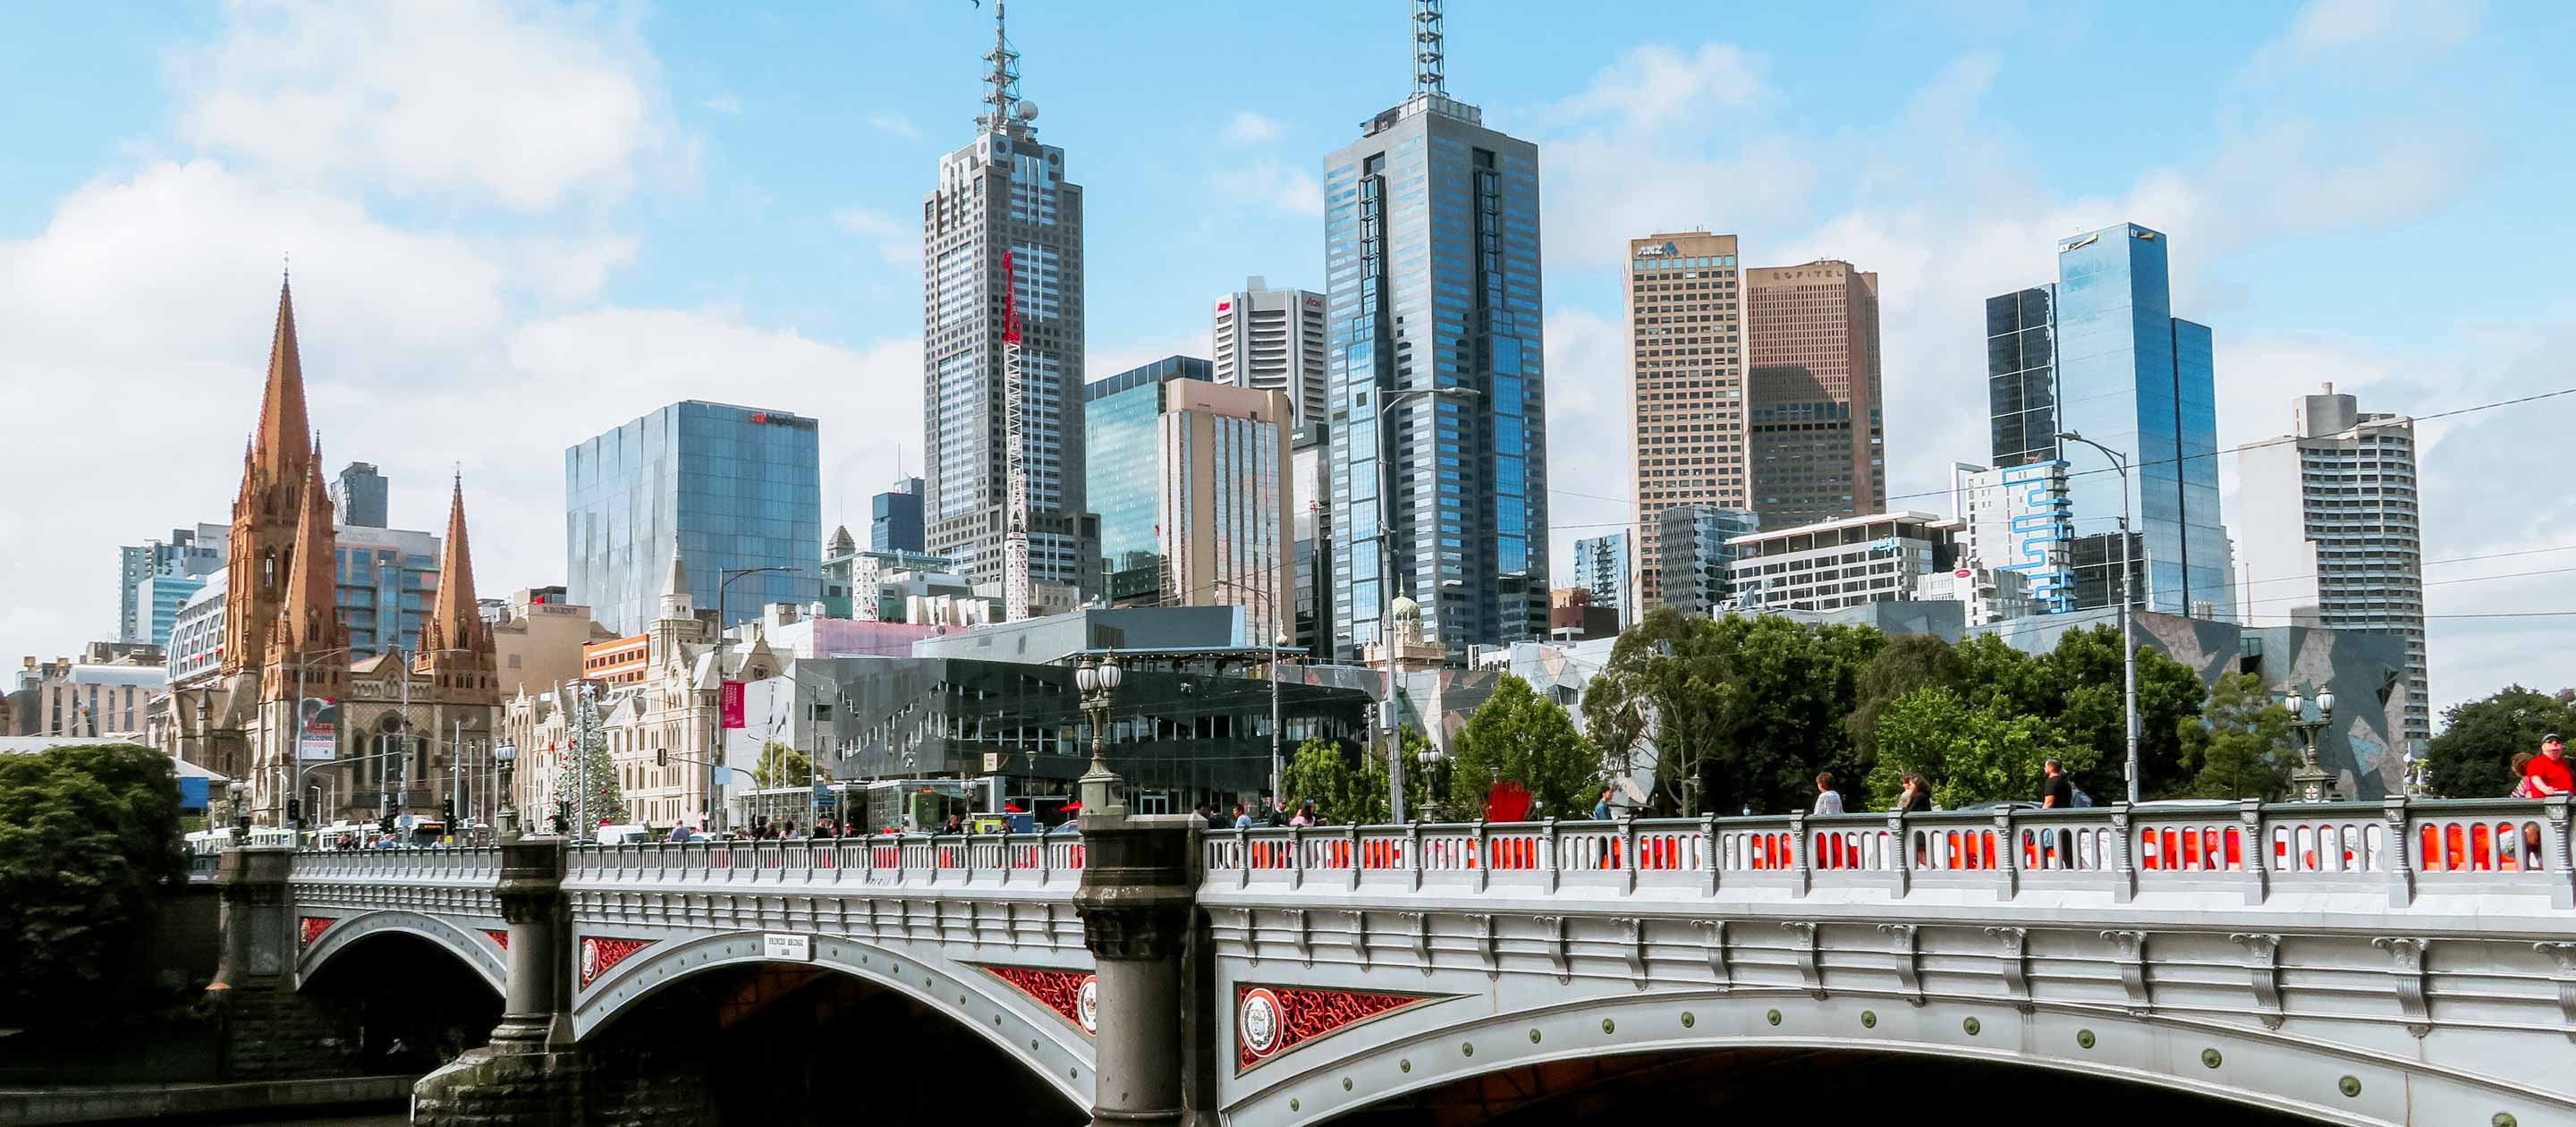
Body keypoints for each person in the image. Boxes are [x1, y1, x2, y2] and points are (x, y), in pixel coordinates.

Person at [2525, 733, 2572, 797]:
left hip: (2567, 800)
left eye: (2558, 741)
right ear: (2543, 747)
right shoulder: (2536, 761)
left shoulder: (2564, 762)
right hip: (2547, 802)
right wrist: (2545, 788)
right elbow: (2535, 779)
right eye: (2550, 741)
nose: (2555, 742)